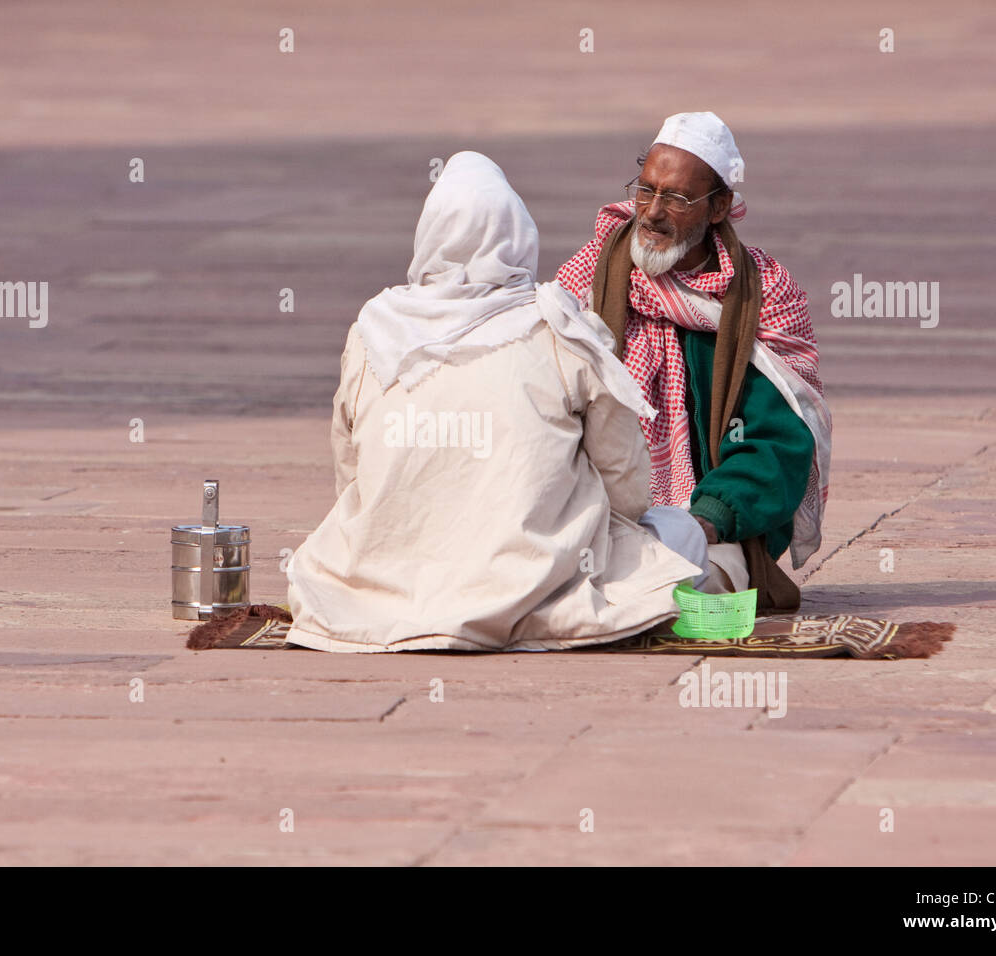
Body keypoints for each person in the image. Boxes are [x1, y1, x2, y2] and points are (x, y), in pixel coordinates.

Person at [284, 151, 702, 652]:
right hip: (532, 583)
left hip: (385, 575)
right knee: (679, 533)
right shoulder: (560, 327)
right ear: (518, 235)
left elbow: (351, 471)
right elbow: (625, 484)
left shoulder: (375, 328)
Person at [555, 112, 832, 612]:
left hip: (711, 528)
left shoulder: (764, 295)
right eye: (647, 190)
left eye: (678, 198)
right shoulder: (587, 278)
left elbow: (779, 444)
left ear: (720, 207)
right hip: (594, 516)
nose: (653, 212)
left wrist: (705, 517)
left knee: (678, 591)